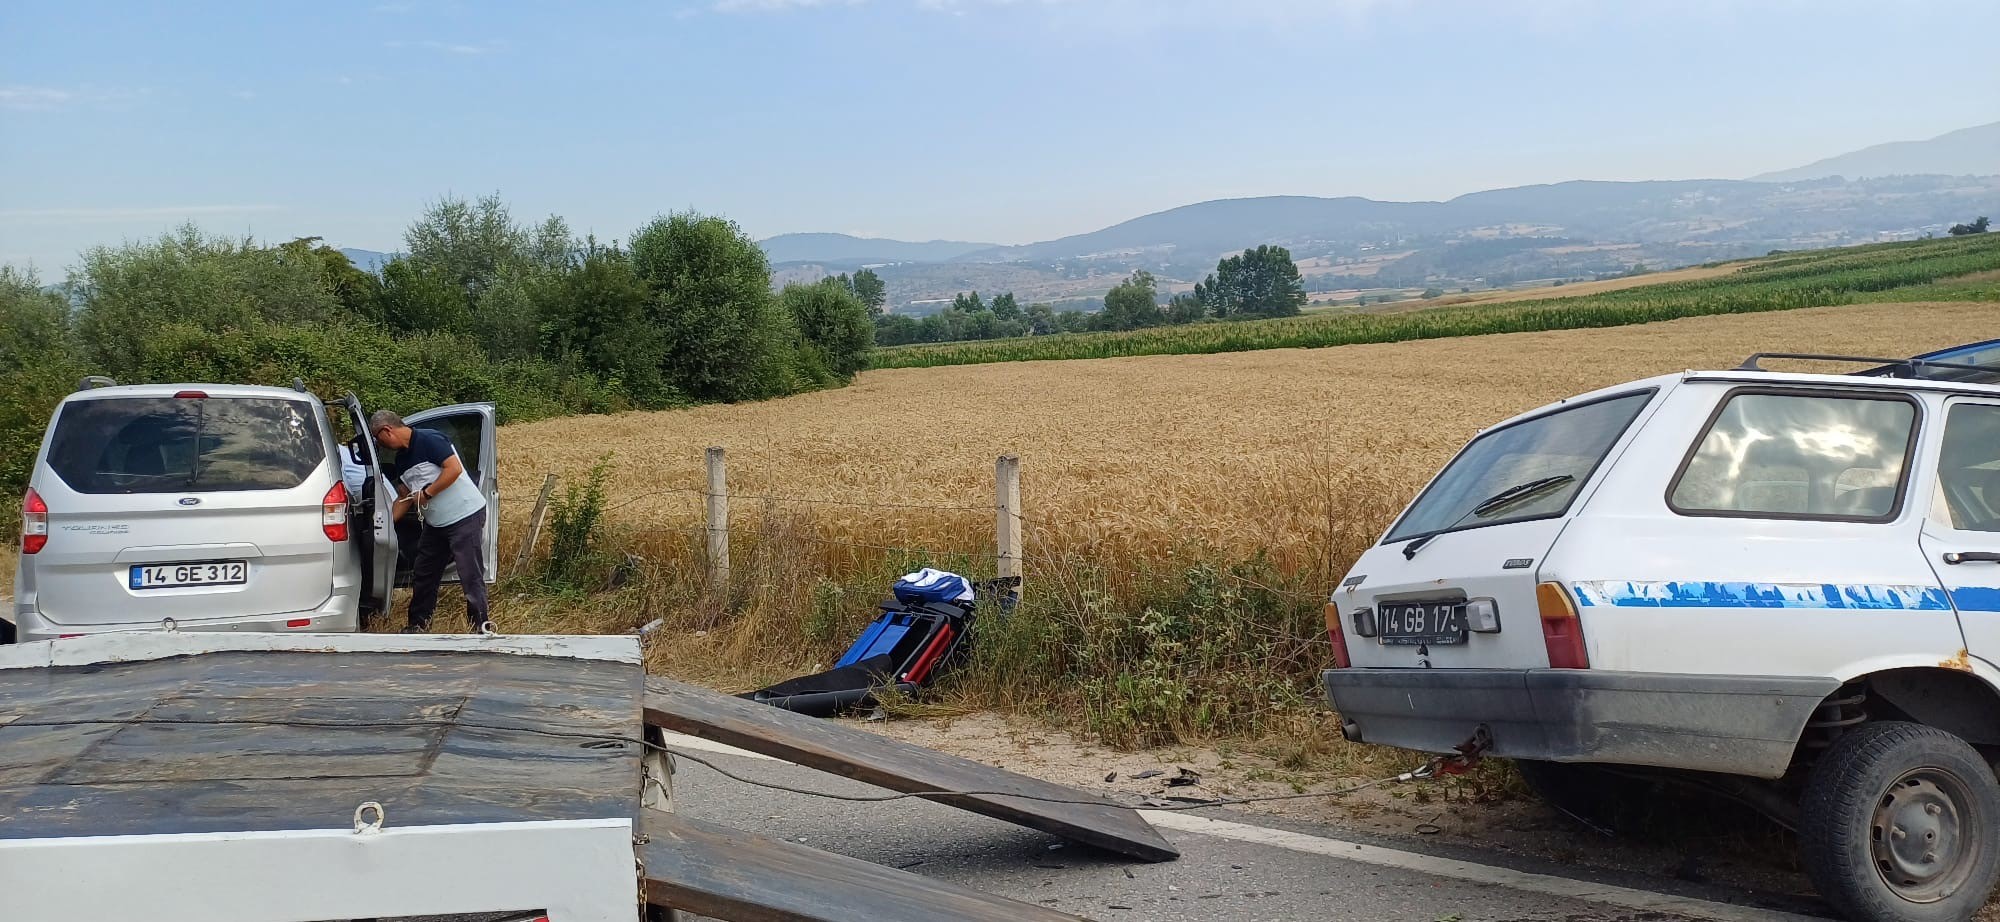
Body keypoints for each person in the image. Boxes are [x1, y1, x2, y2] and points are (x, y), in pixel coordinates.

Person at [368, 409, 488, 632]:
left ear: (387, 430)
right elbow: (405, 496)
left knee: (470, 573)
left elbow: (453, 469)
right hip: (436, 524)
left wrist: (428, 493)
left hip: (464, 515)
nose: (379, 443)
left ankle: (480, 626)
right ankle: (418, 625)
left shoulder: (429, 439)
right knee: (424, 573)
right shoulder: (401, 460)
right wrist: (384, 525)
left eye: (377, 437)